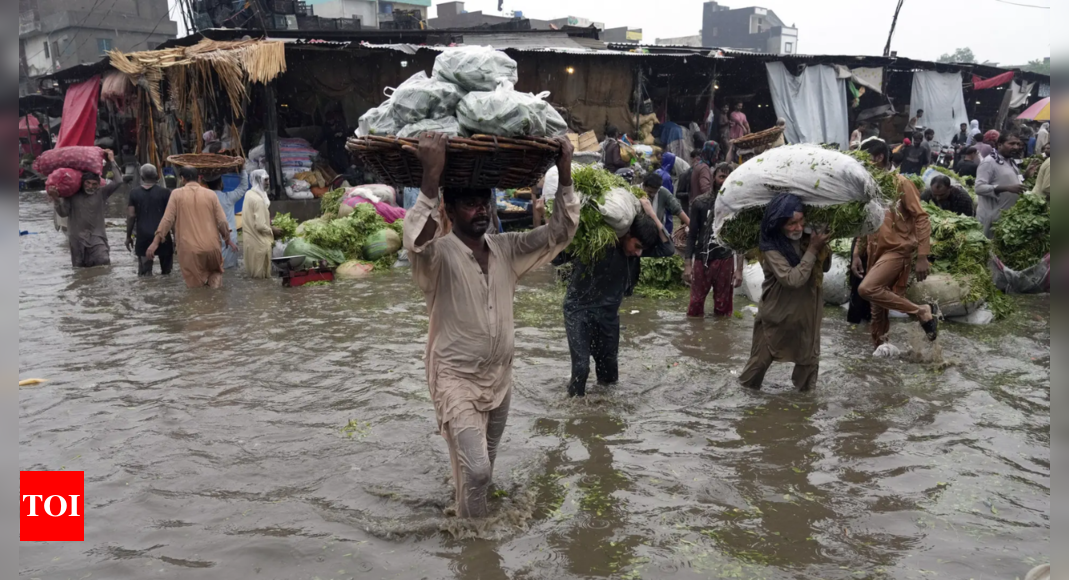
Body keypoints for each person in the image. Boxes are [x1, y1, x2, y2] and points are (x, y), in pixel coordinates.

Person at [402, 133, 580, 519]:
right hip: (455, 378)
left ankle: (471, 527)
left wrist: (564, 173)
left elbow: (560, 233)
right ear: (450, 208)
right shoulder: (438, 255)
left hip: (500, 377)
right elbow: (415, 239)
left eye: (485, 202)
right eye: (470, 204)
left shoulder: (506, 249)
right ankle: (475, 542)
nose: (481, 210)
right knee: (479, 470)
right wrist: (431, 178)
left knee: (486, 467)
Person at [558, 203, 670, 398]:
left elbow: (668, 248)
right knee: (581, 369)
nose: (638, 253)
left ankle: (605, 413)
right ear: (626, 234)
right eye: (636, 246)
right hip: (578, 310)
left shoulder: (635, 253)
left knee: (609, 376)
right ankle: (573, 413)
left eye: (642, 249)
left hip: (608, 316)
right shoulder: (597, 243)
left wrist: (651, 213)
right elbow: (556, 258)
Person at [739, 194, 832, 392]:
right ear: (778, 224)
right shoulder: (771, 248)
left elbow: (824, 268)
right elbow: (792, 280)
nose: (798, 228)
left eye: (800, 221)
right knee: (755, 370)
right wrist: (814, 249)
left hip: (807, 315)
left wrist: (823, 246)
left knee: (807, 375)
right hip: (775, 317)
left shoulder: (810, 239)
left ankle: (802, 415)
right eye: (791, 223)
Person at [853, 139, 938, 348]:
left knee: (867, 289)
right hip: (875, 251)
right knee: (877, 311)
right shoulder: (869, 187)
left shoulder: (901, 183)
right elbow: (866, 222)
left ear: (878, 157)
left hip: (897, 249)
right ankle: (881, 350)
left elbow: (921, 217)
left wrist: (922, 255)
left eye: (865, 159)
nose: (861, 164)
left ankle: (922, 311)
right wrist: (857, 253)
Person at [147, 167, 238, 289]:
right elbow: (222, 221)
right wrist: (227, 238)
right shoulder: (211, 194)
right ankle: (216, 305)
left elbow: (167, 220)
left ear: (183, 179)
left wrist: (155, 242)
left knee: (196, 289)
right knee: (215, 275)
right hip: (212, 247)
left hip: (190, 249)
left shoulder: (176, 194)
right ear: (199, 178)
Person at [685, 163, 744, 318]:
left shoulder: (735, 205)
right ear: (714, 178)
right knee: (695, 305)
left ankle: (721, 339)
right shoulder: (700, 203)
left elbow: (739, 238)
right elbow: (692, 235)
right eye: (721, 176)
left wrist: (739, 270)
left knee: (723, 307)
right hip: (702, 258)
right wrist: (687, 265)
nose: (724, 181)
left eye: (728, 177)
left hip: (725, 258)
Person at [50, 150, 124, 268]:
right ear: (82, 183)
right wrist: (56, 199)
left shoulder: (101, 193)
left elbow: (119, 181)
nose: (91, 186)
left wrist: (112, 160)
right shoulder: (72, 194)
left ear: (99, 185)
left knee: (103, 260)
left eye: (94, 184)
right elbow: (63, 213)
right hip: (77, 238)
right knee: (79, 270)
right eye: (88, 183)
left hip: (97, 236)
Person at [975, 131, 1026, 237]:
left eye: (1017, 144)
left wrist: (1025, 176)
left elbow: (1009, 180)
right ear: (999, 145)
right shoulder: (989, 162)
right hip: (992, 218)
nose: (1016, 147)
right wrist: (1006, 188)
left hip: (1006, 218)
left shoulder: (1010, 161)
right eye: (1011, 144)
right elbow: (979, 188)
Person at [126, 164, 173, 276]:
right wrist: (176, 237)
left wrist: (128, 236)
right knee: (167, 274)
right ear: (157, 176)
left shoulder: (134, 193)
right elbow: (172, 216)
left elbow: (131, 216)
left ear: (141, 177)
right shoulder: (166, 193)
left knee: (145, 275)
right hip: (163, 236)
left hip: (143, 236)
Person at [204, 170, 250, 270]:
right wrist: (241, 170)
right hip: (229, 239)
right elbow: (243, 186)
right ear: (221, 183)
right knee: (230, 270)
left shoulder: (203, 200)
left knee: (213, 270)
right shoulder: (228, 198)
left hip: (209, 239)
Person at [242, 170, 276, 279]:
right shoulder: (258, 200)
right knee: (261, 280)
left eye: (268, 179)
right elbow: (260, 225)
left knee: (253, 278)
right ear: (258, 180)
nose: (268, 182)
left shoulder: (249, 194)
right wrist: (272, 230)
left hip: (249, 243)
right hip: (260, 245)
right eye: (265, 180)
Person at [642, 172, 690, 237]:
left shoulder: (663, 193)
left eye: (655, 192)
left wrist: (691, 226)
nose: (652, 195)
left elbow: (677, 209)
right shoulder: (635, 192)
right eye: (650, 192)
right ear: (644, 186)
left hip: (657, 232)